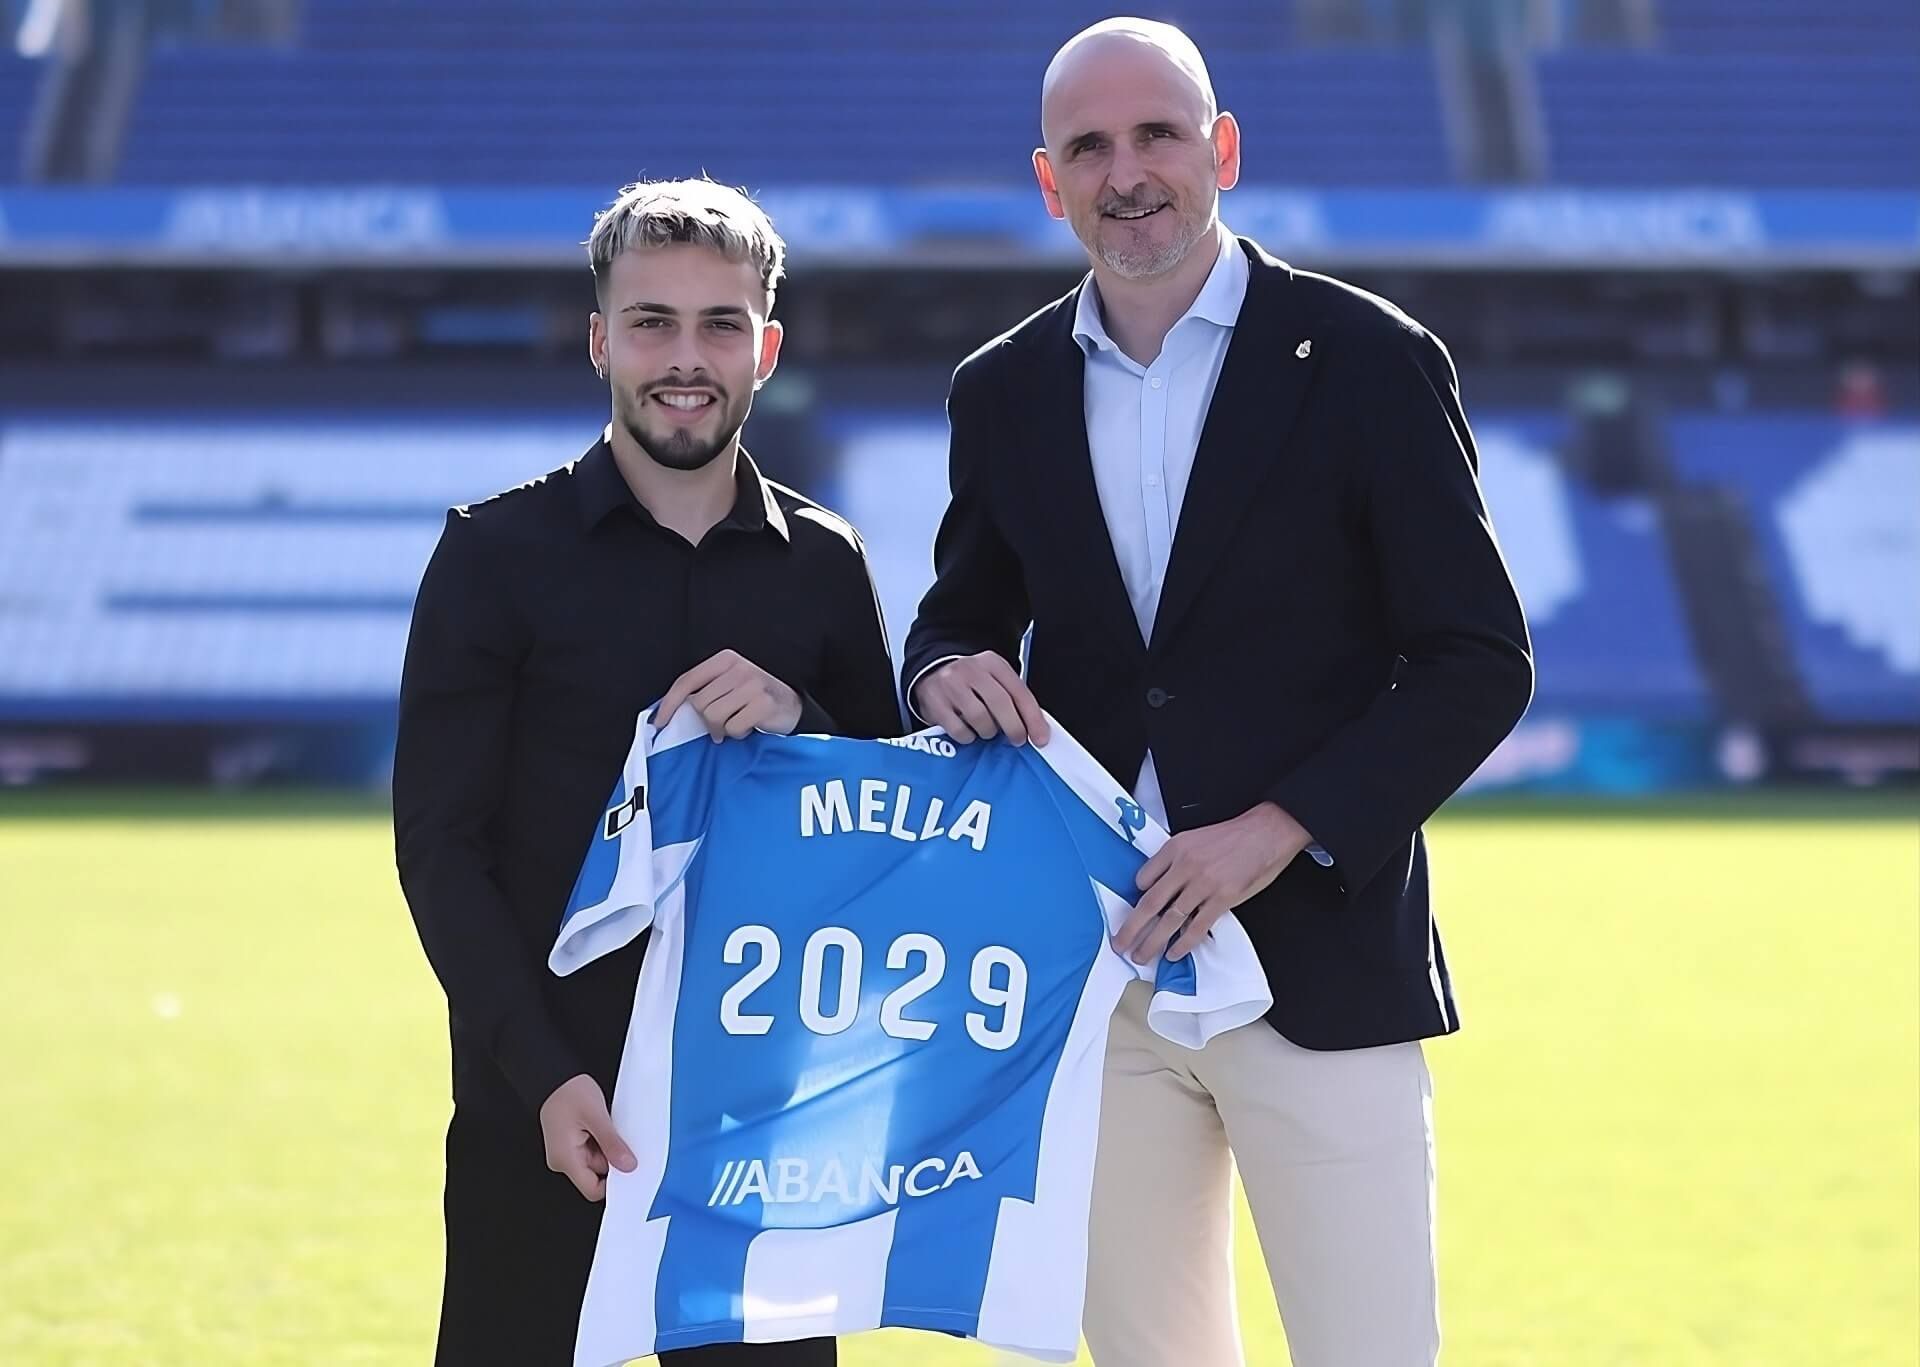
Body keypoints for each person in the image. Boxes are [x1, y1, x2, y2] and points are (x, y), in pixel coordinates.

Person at [902, 19, 1533, 1366]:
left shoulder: (1367, 358)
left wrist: (1277, 829)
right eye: (1090, 148)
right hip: (1097, 974)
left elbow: (1479, 657)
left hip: (1321, 965)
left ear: (1222, 149)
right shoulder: (1002, 390)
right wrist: (945, 667)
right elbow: (960, 612)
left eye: (1157, 135)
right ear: (1048, 179)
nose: (1127, 172)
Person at [394, 178, 899, 1366]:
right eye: (652, 321)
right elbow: (439, 848)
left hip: (764, 1130)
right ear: (600, 340)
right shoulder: (492, 554)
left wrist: (801, 715)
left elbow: (891, 830)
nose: (687, 357)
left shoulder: (827, 566)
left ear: (766, 347)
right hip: (548, 1116)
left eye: (721, 323)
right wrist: (544, 1074)